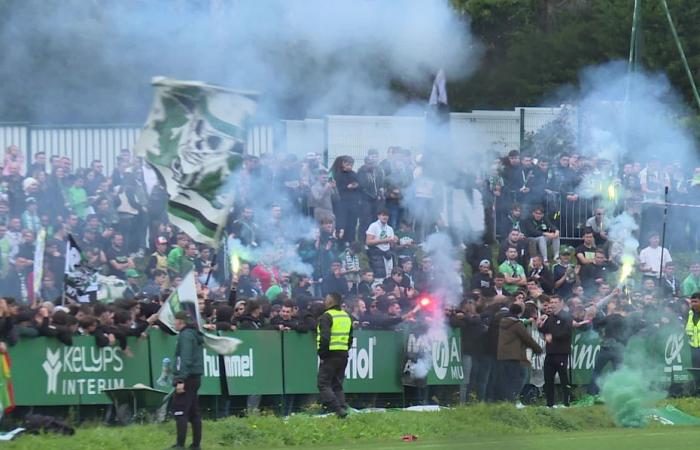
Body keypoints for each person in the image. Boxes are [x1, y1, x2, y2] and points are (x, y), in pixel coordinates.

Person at [170, 310, 203, 450]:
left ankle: (180, 445)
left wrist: (180, 380)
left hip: (187, 378)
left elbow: (185, 358)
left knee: (180, 410)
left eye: (174, 320)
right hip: (194, 377)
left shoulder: (185, 336)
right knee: (194, 412)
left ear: (180, 321)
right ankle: (195, 445)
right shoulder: (194, 334)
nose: (173, 323)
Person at [496, 303, 543, 403]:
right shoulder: (517, 324)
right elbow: (527, 339)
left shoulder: (502, 323)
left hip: (501, 356)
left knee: (505, 380)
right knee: (518, 379)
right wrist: (538, 349)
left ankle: (505, 400)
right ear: (520, 313)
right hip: (514, 356)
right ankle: (511, 400)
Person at [316, 292, 353, 418]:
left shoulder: (327, 316)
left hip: (330, 355)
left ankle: (339, 410)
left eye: (326, 299)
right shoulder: (346, 316)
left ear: (331, 302)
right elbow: (350, 338)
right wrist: (344, 349)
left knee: (323, 384)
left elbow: (325, 338)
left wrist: (322, 354)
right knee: (337, 384)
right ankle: (343, 407)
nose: (324, 302)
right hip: (343, 354)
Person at [537, 295, 572, 407]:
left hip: (561, 352)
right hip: (550, 352)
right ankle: (550, 404)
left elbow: (566, 333)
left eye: (555, 302)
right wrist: (540, 325)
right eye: (551, 302)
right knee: (548, 379)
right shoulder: (550, 317)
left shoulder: (567, 316)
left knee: (563, 378)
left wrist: (553, 337)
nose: (552, 304)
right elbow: (544, 330)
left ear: (561, 303)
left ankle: (566, 402)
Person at [686, 294, 700, 393]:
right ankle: (697, 389)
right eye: (692, 302)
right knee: (696, 370)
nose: (693, 304)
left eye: (696, 301)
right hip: (693, 348)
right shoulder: (689, 314)